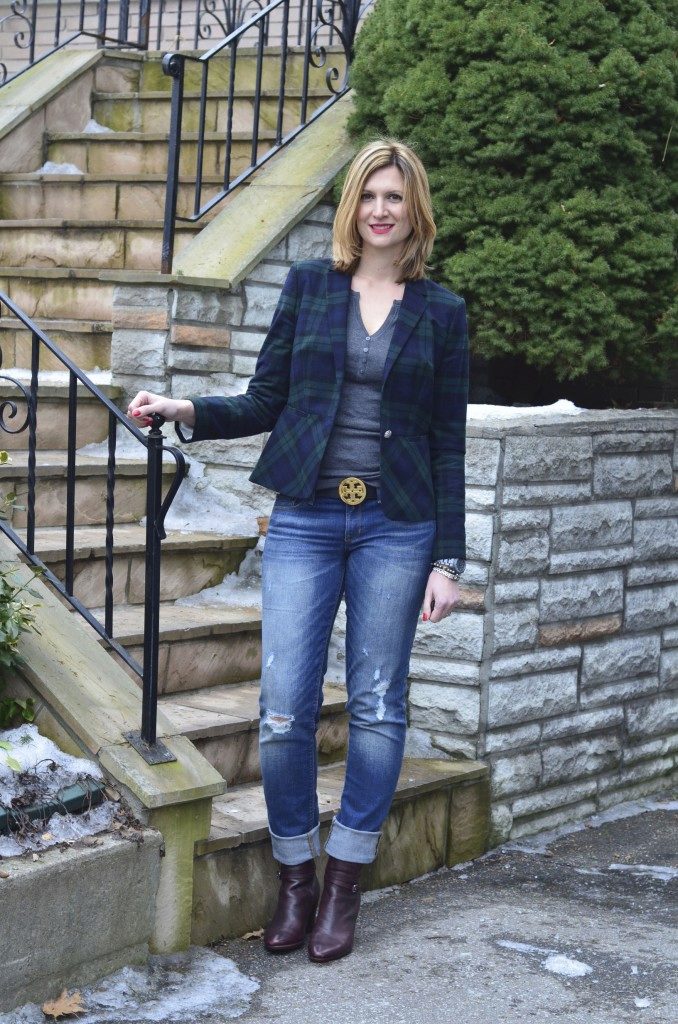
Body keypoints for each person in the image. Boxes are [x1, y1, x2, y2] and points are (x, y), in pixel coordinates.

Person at [127, 139, 469, 964]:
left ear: (415, 211)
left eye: (394, 197)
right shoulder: (310, 286)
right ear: (351, 206)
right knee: (283, 708)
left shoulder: (443, 312)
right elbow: (266, 399)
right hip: (308, 519)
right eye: (368, 196)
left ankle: (344, 880)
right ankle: (295, 880)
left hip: (397, 526)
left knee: (378, 703)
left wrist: (448, 561)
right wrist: (185, 408)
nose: (380, 210)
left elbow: (447, 443)